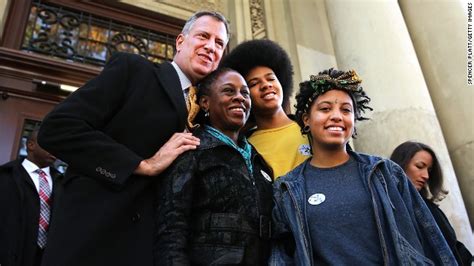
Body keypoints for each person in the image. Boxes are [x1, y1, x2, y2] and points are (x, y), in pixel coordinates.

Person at [37, 11, 229, 266]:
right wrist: (142, 165)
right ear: (180, 41)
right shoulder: (134, 70)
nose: (210, 47)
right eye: (203, 36)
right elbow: (58, 128)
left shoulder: (209, 113)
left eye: (219, 43)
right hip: (95, 239)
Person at [270, 68, 457, 265]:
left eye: (346, 110)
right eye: (325, 109)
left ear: (354, 120)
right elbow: (282, 256)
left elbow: (431, 239)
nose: (336, 116)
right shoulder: (287, 189)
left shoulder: (387, 173)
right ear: (306, 119)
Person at [154, 68, 273, 265]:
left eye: (245, 93)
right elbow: (171, 230)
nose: (239, 98)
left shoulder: (259, 160)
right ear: (205, 102)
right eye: (229, 91)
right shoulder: (191, 150)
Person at [220, 39, 311, 179]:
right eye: (254, 83)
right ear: (245, 96)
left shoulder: (312, 128)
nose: (265, 85)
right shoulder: (243, 147)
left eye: (271, 79)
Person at [391, 141, 473, 265]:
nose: (426, 176)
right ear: (400, 165)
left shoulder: (431, 209)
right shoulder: (388, 206)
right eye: (419, 166)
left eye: (429, 170)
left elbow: (453, 247)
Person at [0, 127, 61, 266]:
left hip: (47, 257)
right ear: (31, 145)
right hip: (11, 255)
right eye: (50, 144)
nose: (55, 150)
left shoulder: (62, 182)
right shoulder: (5, 177)